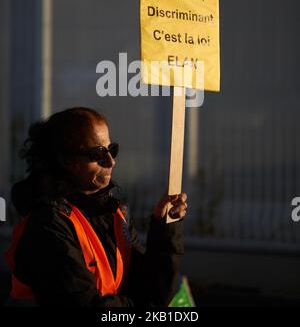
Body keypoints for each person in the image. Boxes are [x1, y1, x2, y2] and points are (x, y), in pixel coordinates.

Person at [5, 107, 187, 307]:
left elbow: (152, 289)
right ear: (67, 160)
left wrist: (165, 228)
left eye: (112, 149)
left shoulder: (113, 213)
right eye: (98, 153)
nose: (111, 161)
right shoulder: (47, 223)